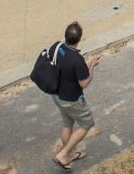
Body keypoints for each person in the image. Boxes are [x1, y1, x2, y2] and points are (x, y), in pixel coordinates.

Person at [52, 22, 100, 169]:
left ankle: (69, 154)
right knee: (87, 123)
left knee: (67, 124)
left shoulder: (56, 47)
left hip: (57, 95)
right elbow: (84, 83)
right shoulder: (77, 60)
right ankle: (63, 154)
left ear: (65, 36)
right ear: (79, 39)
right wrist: (92, 66)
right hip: (71, 99)